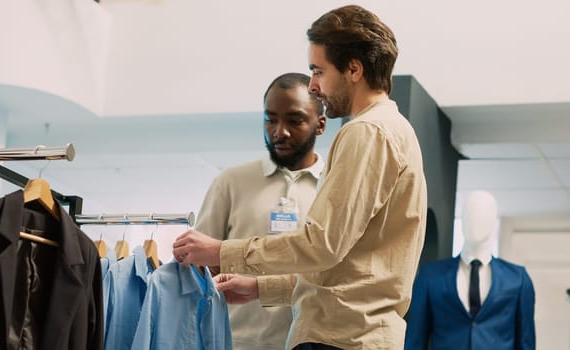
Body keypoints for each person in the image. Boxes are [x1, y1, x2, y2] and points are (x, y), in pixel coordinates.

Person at [173, 5, 427, 349]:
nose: (313, 85)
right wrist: (259, 287)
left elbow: (321, 245)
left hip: (340, 340)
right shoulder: (393, 129)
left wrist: (221, 251)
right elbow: (346, 271)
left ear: (353, 69)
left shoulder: (366, 132)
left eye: (318, 71)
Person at [194, 72, 326, 350]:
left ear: (320, 124)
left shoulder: (335, 187)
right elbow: (202, 265)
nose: (280, 131)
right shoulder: (231, 181)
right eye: (271, 119)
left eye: (295, 120)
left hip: (314, 342)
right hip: (238, 343)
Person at [405, 190, 535, 350]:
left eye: (483, 215)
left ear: (493, 220)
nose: (474, 220)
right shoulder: (430, 276)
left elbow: (526, 342)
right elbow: (415, 341)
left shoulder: (517, 279)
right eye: (469, 213)